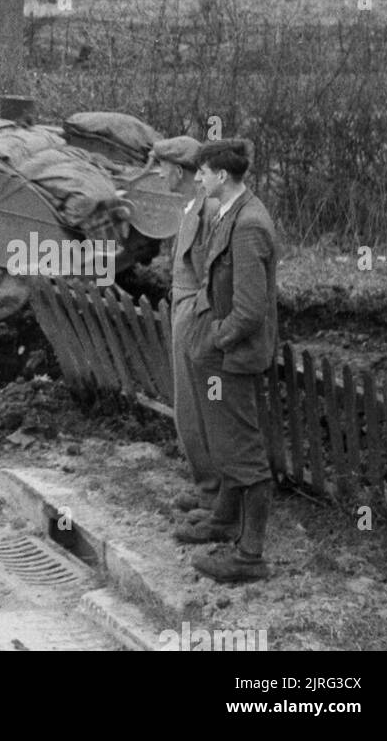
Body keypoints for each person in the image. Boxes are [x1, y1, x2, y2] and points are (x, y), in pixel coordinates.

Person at [174, 138, 278, 584]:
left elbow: (251, 310)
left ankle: (249, 556)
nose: (197, 178)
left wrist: (215, 339)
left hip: (234, 357)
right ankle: (222, 520)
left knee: (245, 454)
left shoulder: (249, 224)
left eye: (203, 171)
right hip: (222, 352)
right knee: (226, 443)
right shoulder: (227, 213)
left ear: (221, 175)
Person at [157, 135, 219, 515]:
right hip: (185, 310)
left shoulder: (204, 211)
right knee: (187, 409)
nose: (159, 174)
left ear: (178, 171)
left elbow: (210, 276)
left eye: (163, 168)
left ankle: (215, 495)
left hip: (195, 315)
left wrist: (197, 321)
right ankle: (206, 486)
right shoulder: (191, 207)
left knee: (200, 409)